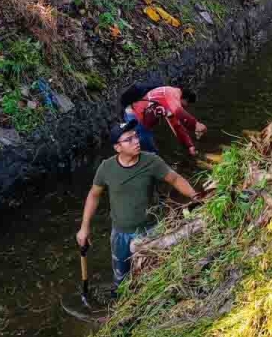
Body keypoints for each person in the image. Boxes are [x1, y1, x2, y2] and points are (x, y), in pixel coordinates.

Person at [76, 120, 199, 286]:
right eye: (129, 139)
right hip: (120, 233)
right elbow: (94, 195)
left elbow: (175, 179)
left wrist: (195, 196)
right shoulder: (107, 168)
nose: (136, 141)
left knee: (150, 274)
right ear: (117, 147)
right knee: (120, 276)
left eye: (136, 136)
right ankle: (119, 299)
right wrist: (85, 227)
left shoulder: (152, 161)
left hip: (150, 230)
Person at [121, 83, 207, 157]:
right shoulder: (171, 93)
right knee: (152, 155)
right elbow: (178, 111)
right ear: (185, 99)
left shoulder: (169, 103)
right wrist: (196, 124)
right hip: (135, 118)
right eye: (186, 104)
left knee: (149, 154)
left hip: (141, 121)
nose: (184, 107)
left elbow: (177, 127)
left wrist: (189, 146)